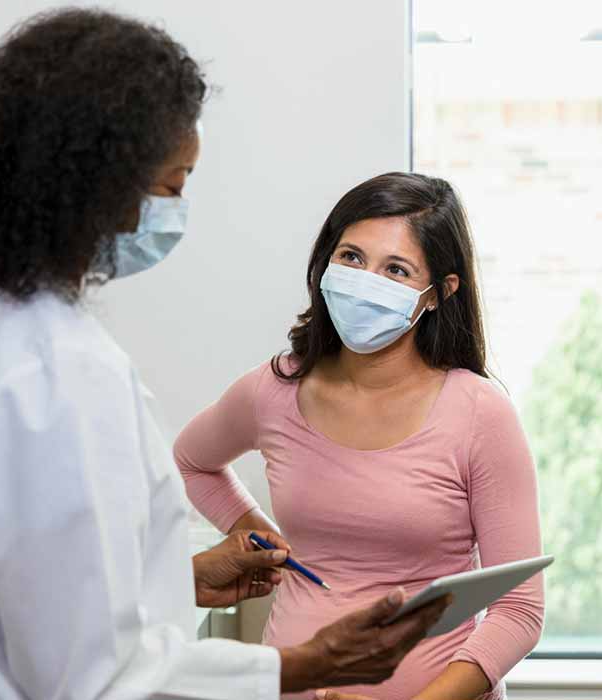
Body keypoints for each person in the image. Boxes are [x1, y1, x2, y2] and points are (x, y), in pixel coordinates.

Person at [0, 10, 448, 700]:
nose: (176, 211)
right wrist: (311, 664)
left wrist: (180, 577)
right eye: (172, 187)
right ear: (93, 185)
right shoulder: (58, 372)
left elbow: (22, 588)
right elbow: (96, 677)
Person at [175, 172, 545, 700]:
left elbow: (520, 609)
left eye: (395, 269)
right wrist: (261, 535)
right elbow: (192, 462)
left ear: (439, 294)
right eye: (351, 257)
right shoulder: (275, 388)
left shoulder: (480, 413)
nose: (365, 280)